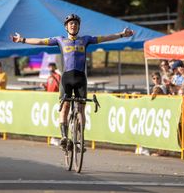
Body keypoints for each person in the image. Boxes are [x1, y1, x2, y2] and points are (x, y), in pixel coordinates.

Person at [11, 13, 134, 149]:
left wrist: (121, 35)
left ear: (78, 27)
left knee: (81, 109)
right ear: (66, 27)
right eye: (71, 23)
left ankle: (80, 139)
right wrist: (22, 40)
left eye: (75, 23)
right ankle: (64, 137)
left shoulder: (86, 40)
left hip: (81, 78)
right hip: (66, 79)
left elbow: (105, 38)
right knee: (65, 107)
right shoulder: (60, 40)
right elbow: (40, 41)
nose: (73, 25)